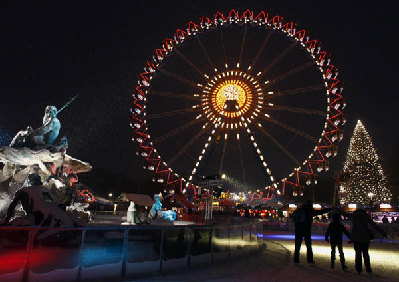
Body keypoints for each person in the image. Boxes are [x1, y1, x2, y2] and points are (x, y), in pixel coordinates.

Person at [343, 208, 387, 274]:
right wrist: (383, 232)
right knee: (366, 254)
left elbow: (345, 214)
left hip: (356, 237)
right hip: (365, 237)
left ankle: (359, 269)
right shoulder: (366, 217)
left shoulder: (354, 216)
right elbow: (374, 225)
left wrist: (336, 210)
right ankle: (368, 269)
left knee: (358, 254)